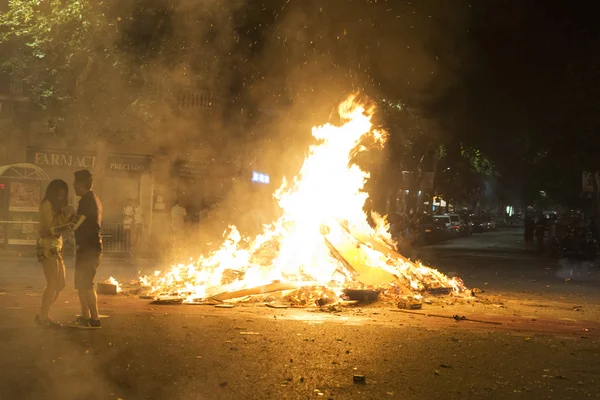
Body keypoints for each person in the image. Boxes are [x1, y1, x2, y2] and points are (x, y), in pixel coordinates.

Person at [52, 170, 103, 329]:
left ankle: (94, 320)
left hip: (89, 248)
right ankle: (85, 317)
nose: (73, 186)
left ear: (82, 184)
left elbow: (75, 225)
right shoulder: (91, 199)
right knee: (82, 284)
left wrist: (52, 230)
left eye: (75, 183)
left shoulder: (87, 201)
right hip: (88, 247)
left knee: (86, 284)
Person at [35, 179, 74, 327]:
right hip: (47, 246)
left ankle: (42, 314)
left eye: (64, 196)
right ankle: (43, 318)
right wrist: (65, 217)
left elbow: (57, 226)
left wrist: (66, 216)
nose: (62, 199)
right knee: (52, 283)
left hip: (56, 247)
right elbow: (51, 227)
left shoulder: (57, 207)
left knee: (61, 284)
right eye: (59, 195)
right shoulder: (46, 205)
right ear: (53, 194)